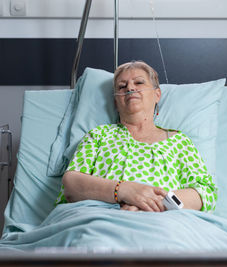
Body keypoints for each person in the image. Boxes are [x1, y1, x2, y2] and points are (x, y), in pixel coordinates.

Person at [56, 60, 217, 212]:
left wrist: (156, 204)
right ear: (115, 103)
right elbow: (71, 184)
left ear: (157, 94)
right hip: (100, 219)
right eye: (121, 86)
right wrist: (124, 190)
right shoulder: (99, 135)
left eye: (139, 82)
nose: (130, 88)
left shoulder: (178, 141)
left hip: (165, 222)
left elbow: (205, 193)